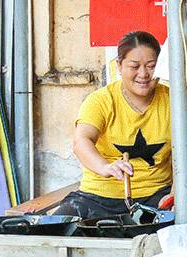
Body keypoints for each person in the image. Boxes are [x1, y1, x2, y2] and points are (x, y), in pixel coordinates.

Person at [55, 31, 173, 219]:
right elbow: (81, 141)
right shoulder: (101, 100)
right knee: (55, 229)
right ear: (119, 66)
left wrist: (173, 195)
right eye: (134, 66)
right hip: (97, 198)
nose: (143, 74)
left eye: (151, 66)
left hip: (156, 196)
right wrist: (105, 167)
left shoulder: (174, 100)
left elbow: (186, 155)